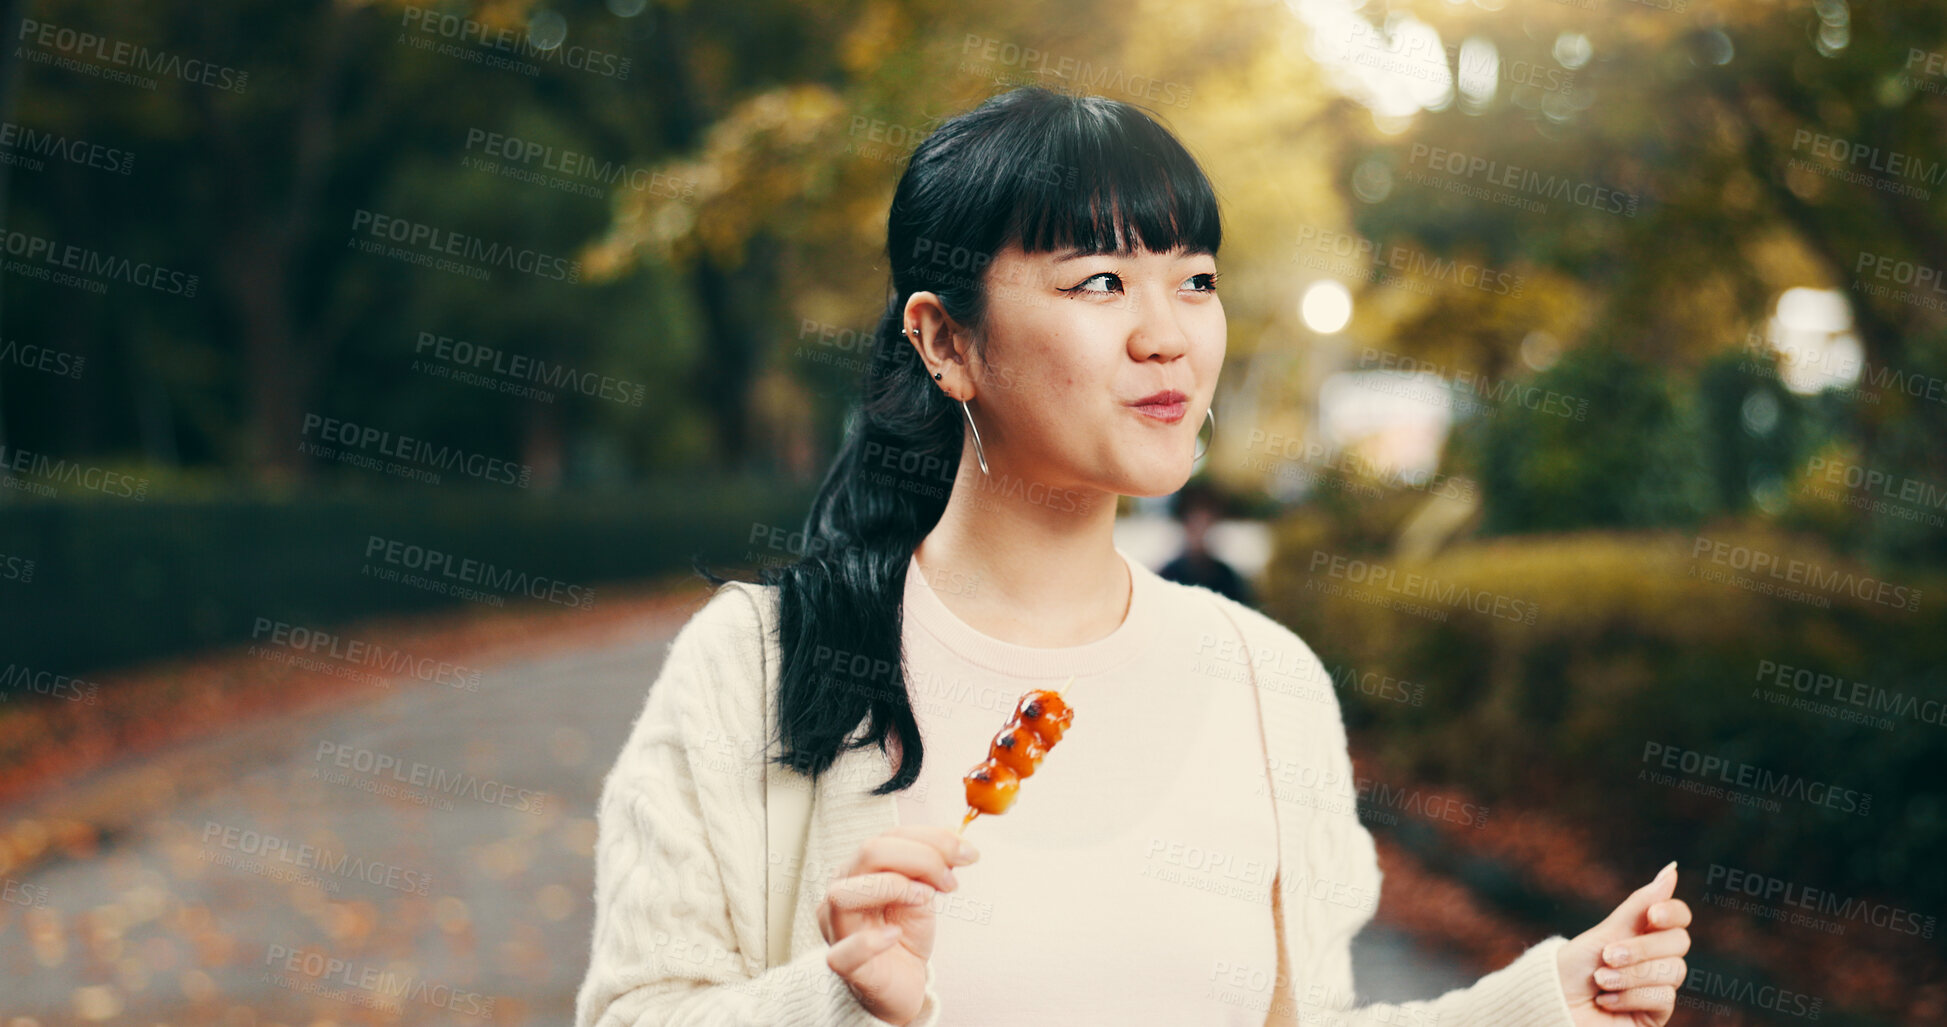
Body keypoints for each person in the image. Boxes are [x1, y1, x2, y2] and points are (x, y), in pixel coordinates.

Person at [575, 85, 1691, 1027]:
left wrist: (1552, 998)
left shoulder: (1268, 683)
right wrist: (833, 1001)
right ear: (944, 340)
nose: (1168, 333)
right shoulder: (760, 665)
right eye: (1099, 281)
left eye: (1194, 278)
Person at [1158, 477, 1255, 606]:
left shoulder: (1228, 578)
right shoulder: (1168, 576)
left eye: (1206, 522)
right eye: (1195, 522)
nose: (1200, 529)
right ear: (1184, 523)